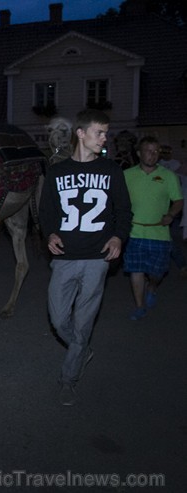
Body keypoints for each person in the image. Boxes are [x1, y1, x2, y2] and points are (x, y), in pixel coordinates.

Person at [38, 108, 132, 406]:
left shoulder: (111, 170)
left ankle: (69, 378)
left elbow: (124, 212)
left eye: (105, 133)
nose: (104, 138)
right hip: (64, 257)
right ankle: (82, 348)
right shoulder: (57, 171)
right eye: (99, 132)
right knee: (57, 317)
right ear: (81, 133)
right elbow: (46, 212)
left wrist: (118, 236)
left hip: (97, 258)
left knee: (83, 321)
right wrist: (50, 233)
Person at [123, 137, 184, 320]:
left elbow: (179, 201)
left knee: (157, 272)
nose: (153, 154)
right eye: (148, 151)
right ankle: (140, 306)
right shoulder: (127, 175)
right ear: (139, 153)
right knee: (136, 269)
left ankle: (152, 286)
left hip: (159, 233)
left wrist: (171, 215)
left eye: (156, 151)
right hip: (134, 232)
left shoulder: (169, 176)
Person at [157, 145, 187, 277]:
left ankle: (182, 265)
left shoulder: (176, 164)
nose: (165, 154)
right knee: (165, 238)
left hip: (172, 204)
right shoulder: (158, 165)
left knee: (168, 238)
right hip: (160, 203)